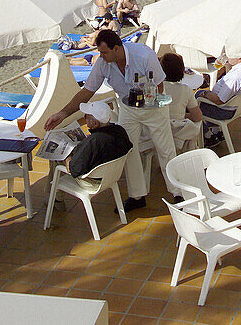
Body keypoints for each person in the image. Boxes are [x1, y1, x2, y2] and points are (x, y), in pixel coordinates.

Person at [44, 29, 178, 211]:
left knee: (165, 149)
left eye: (104, 52)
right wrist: (62, 114)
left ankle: (177, 192)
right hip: (128, 109)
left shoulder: (144, 55)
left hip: (154, 108)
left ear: (117, 48)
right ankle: (137, 196)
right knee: (127, 149)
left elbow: (160, 86)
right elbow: (86, 92)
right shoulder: (103, 63)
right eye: (100, 52)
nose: (101, 56)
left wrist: (147, 101)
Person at [195, 56, 241, 145]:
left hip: (224, 111)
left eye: (230, 54)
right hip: (239, 106)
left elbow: (219, 100)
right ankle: (217, 131)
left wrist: (204, 93)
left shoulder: (236, 77)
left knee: (192, 105)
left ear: (239, 57)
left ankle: (208, 136)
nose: (227, 56)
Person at [67, 100, 133, 178]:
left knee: (57, 160)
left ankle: (51, 188)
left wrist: (67, 156)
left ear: (95, 123)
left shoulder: (94, 140)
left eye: (85, 117)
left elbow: (74, 169)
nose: (84, 118)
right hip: (111, 175)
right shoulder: (120, 130)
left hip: (94, 180)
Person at [158, 52, 204, 147]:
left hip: (157, 132)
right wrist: (181, 116)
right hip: (177, 132)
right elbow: (197, 117)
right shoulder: (185, 90)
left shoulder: (154, 88)